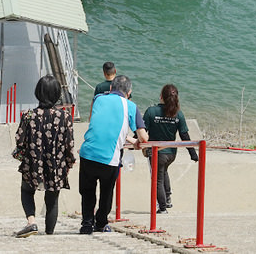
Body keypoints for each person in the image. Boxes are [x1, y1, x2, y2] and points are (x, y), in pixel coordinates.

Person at [78, 75, 149, 234]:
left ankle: (86, 224)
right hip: (109, 158)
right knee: (106, 192)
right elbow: (143, 137)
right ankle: (101, 223)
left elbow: (97, 122)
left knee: (88, 192)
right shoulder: (130, 106)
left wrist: (127, 138)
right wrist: (137, 142)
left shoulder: (98, 98)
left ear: (110, 89)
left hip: (88, 152)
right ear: (129, 92)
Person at [12, 75, 76, 237]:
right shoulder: (65, 117)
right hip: (57, 164)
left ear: (38, 92)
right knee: (52, 200)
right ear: (57, 94)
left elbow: (20, 140)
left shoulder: (28, 116)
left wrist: (22, 156)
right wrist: (69, 163)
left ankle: (31, 222)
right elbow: (69, 144)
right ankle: (49, 234)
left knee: (27, 191)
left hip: (33, 162)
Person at [143, 84, 199, 214]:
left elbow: (141, 131)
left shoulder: (151, 111)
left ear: (161, 96)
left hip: (157, 152)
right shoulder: (178, 114)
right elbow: (184, 135)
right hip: (171, 154)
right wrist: (193, 153)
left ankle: (162, 208)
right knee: (163, 172)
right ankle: (167, 199)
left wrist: (135, 142)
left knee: (157, 179)